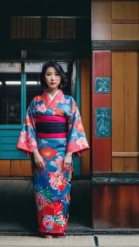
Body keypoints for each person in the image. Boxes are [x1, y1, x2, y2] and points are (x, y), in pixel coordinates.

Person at [17, 61, 89, 238]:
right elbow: (29, 128)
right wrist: (35, 154)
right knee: (42, 192)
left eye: (56, 74)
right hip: (41, 155)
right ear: (43, 77)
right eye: (48, 74)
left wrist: (69, 154)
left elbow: (75, 129)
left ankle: (59, 228)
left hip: (62, 155)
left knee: (61, 192)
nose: (52, 78)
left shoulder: (69, 102)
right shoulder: (36, 102)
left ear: (61, 77)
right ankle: (45, 229)